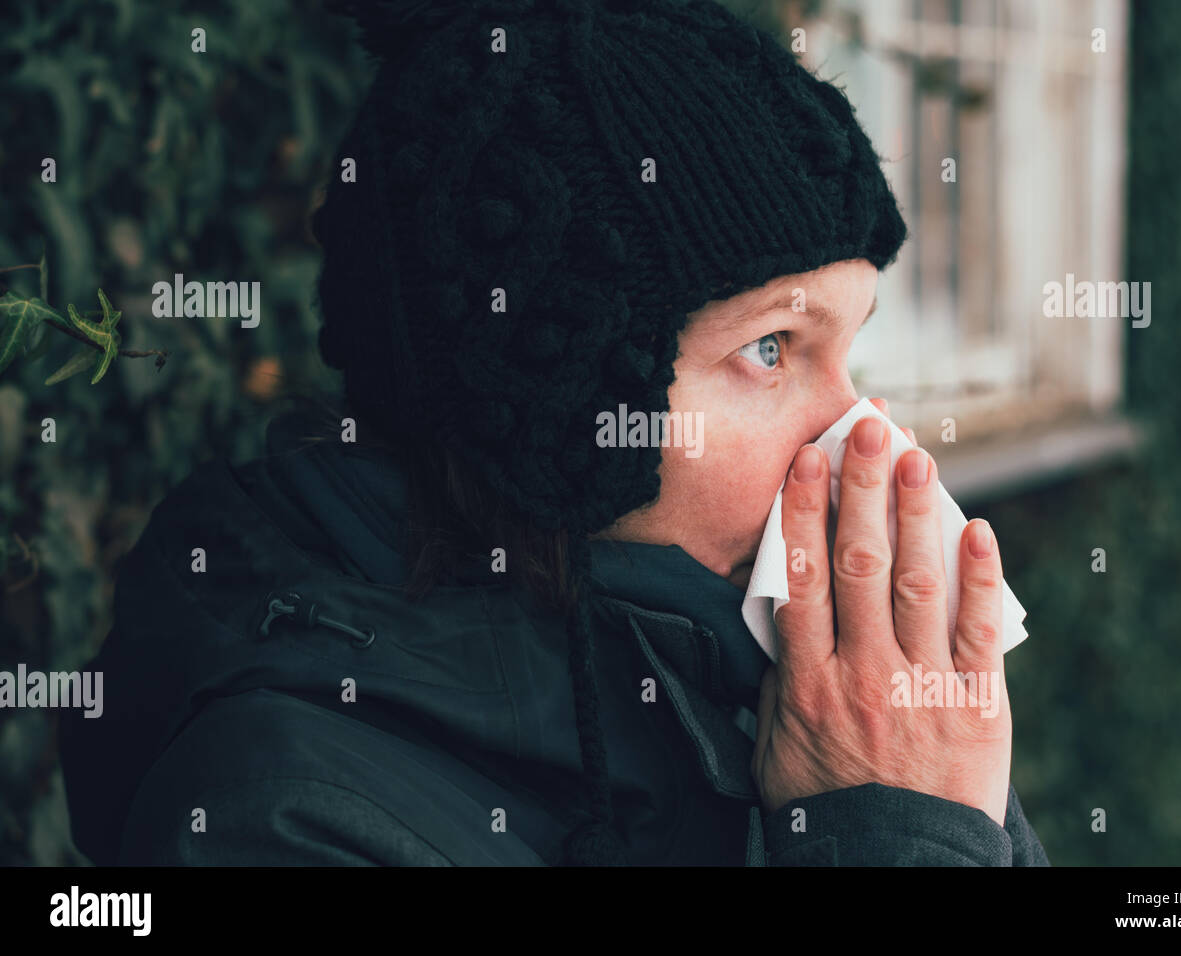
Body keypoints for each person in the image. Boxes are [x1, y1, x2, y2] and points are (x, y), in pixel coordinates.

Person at [59, 0, 1049, 866]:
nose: (865, 433)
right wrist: (885, 834)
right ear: (557, 406)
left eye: (851, 347)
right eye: (770, 348)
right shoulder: (281, 812)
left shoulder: (757, 678)